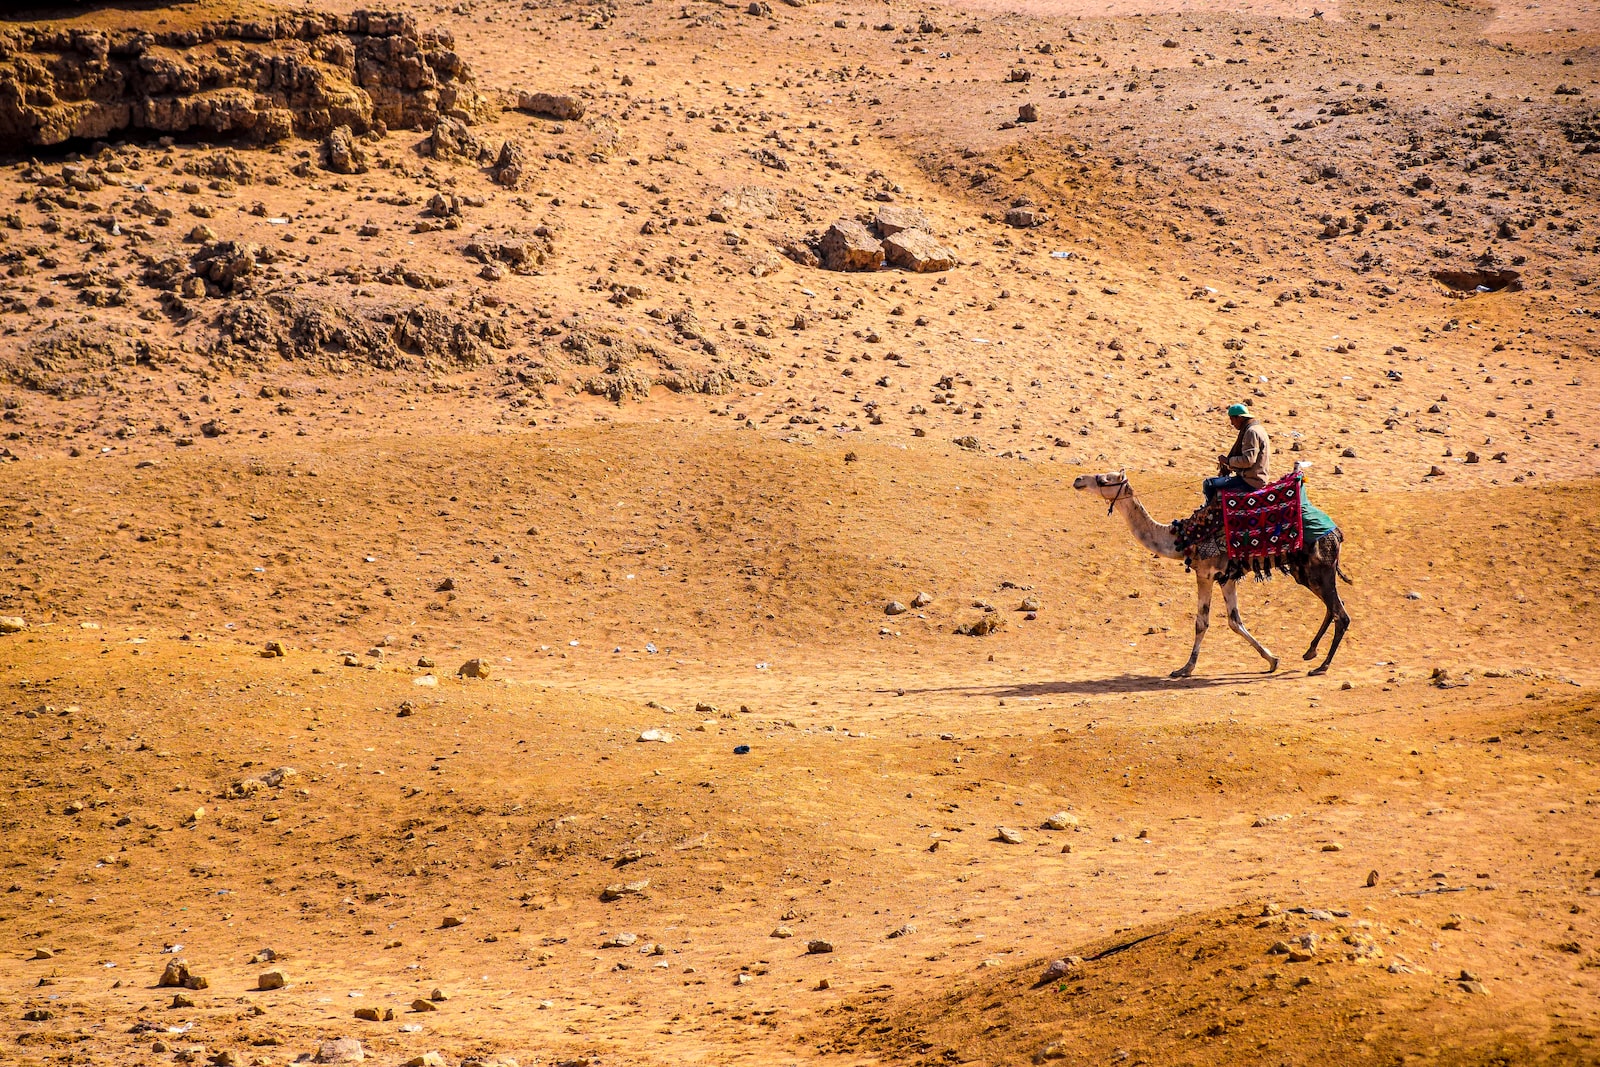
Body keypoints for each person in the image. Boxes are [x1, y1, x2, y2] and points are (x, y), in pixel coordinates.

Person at [1203, 402, 1271, 504]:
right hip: (1257, 477)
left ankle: (1211, 512)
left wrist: (1228, 461)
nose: (1232, 423)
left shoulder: (1251, 432)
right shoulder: (1258, 428)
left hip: (1252, 481)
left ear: (1239, 418)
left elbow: (1248, 460)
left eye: (1232, 419)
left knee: (1209, 483)